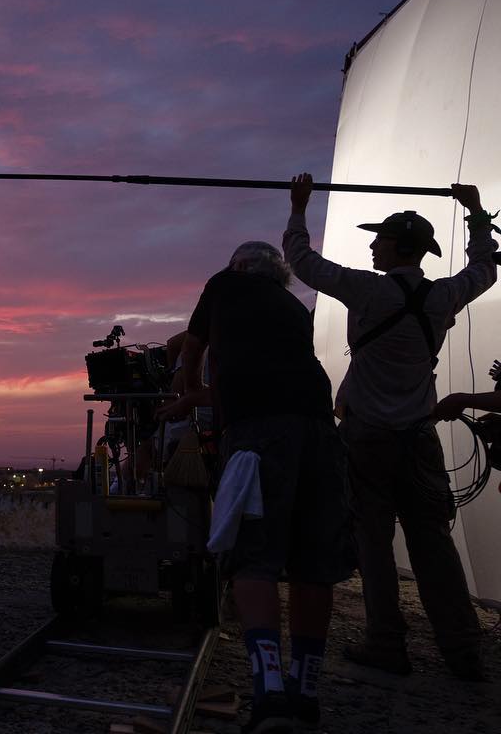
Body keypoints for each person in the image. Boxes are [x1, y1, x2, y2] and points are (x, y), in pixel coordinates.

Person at [283, 173, 497, 681]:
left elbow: (302, 261)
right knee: (434, 543)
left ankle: (385, 644)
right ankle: (462, 650)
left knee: (372, 542)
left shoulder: (366, 290)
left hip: (367, 438)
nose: (373, 246)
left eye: (380, 239)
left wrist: (299, 207)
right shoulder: (443, 296)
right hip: (419, 438)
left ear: (399, 246)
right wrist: (475, 212)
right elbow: (485, 269)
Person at [157, 241, 349, 734]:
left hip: (259, 435)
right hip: (320, 431)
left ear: (239, 266)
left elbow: (193, 347)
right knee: (312, 564)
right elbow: (262, 378)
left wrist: (186, 388)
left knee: (252, 558)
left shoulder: (226, 285)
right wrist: (200, 398)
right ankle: (304, 691)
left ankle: (269, 696)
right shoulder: (292, 307)